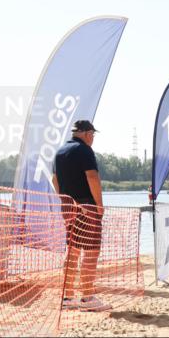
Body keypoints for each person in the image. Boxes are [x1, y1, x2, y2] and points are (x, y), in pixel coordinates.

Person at [52, 120, 110, 312]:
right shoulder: (84, 150)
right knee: (91, 252)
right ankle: (87, 298)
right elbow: (92, 176)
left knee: (73, 250)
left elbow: (55, 179)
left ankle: (67, 298)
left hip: (68, 206)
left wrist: (64, 200)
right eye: (93, 135)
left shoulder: (60, 152)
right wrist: (99, 205)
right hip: (86, 205)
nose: (93, 138)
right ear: (87, 133)